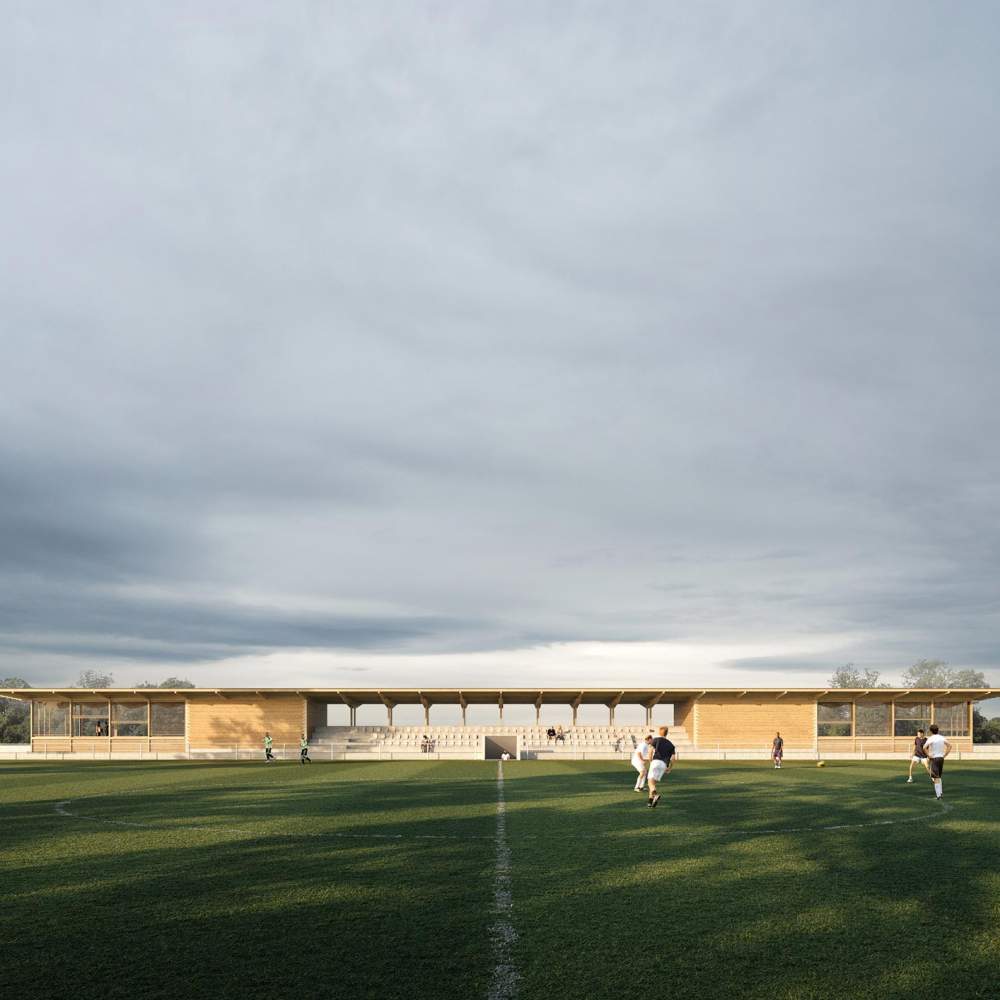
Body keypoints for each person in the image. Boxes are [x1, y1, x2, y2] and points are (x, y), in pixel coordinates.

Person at [647, 726, 676, 808]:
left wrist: (650, 761)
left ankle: (655, 794)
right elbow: (673, 758)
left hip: (656, 762)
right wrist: (670, 768)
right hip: (664, 765)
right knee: (653, 783)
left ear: (660, 732)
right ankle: (650, 802)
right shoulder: (671, 744)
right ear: (667, 733)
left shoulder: (656, 740)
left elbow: (650, 750)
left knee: (650, 782)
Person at [923, 723, 951, 799]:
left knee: (936, 777)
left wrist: (928, 755)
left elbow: (924, 747)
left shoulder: (931, 738)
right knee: (939, 777)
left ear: (931, 731)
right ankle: (940, 793)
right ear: (938, 730)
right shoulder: (942, 737)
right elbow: (950, 746)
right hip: (941, 758)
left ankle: (938, 796)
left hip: (934, 758)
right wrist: (945, 755)